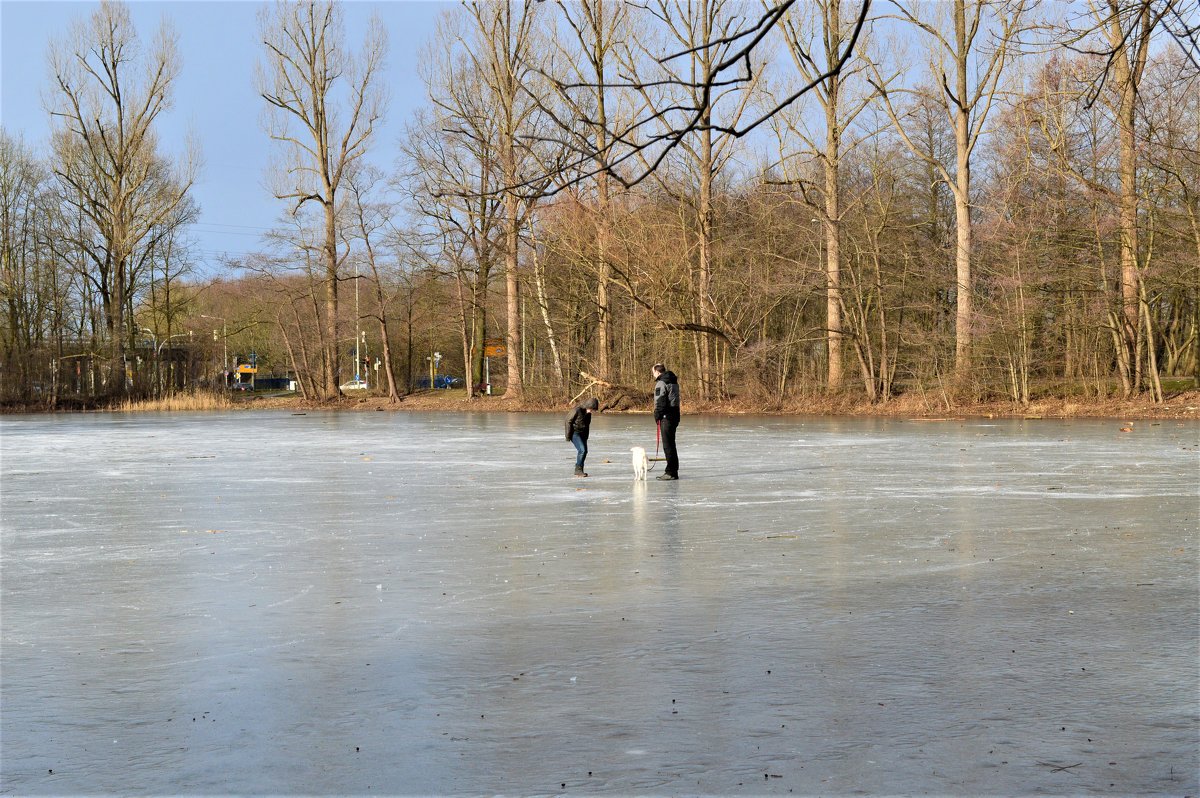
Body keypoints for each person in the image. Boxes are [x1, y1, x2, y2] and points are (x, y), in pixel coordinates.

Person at [652, 363, 680, 480]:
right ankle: (673, 471)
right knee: (671, 444)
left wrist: (657, 415)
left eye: (653, 372)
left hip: (666, 417)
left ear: (657, 372)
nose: (653, 374)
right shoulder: (673, 382)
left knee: (668, 445)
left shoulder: (661, 383)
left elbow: (660, 401)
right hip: (675, 415)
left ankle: (670, 472)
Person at [565, 397, 600, 477]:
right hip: (574, 433)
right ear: (588, 406)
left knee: (584, 451)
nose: (592, 411)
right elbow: (568, 421)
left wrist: (586, 437)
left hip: (583, 434)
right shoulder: (576, 410)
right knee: (582, 450)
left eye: (593, 410)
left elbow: (587, 426)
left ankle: (580, 470)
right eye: (591, 409)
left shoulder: (588, 414)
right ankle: (578, 470)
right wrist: (568, 436)